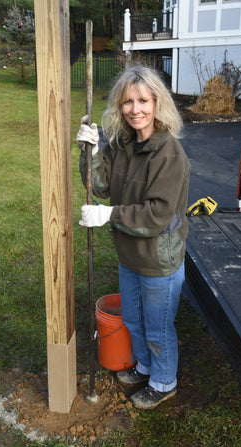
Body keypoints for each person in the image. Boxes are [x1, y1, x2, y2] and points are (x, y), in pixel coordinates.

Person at [76, 64, 190, 409]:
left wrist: (108, 214)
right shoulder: (124, 144)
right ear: (119, 107)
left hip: (159, 259)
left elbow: (156, 215)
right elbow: (99, 186)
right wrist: (91, 152)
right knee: (134, 321)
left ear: (157, 103)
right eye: (127, 102)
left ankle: (163, 381)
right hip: (130, 255)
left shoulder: (169, 153)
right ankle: (143, 367)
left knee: (157, 329)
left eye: (143, 100)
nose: (135, 109)